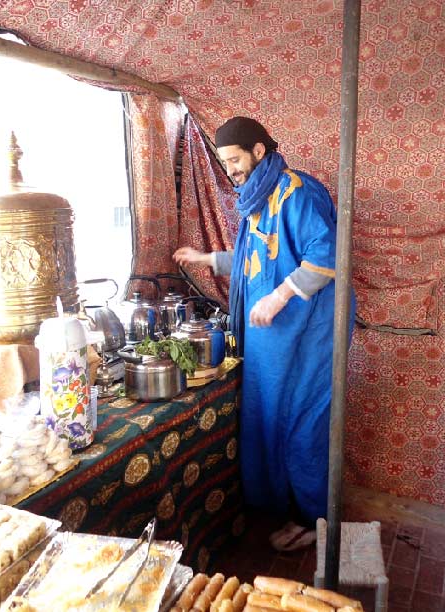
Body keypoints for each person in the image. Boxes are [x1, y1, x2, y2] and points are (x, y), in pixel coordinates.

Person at [174, 116, 355, 551]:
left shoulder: (297, 191)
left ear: (259, 151)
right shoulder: (260, 196)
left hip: (309, 332)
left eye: (235, 159)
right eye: (225, 163)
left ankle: (314, 519)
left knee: (304, 423)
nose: (231, 169)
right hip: (272, 337)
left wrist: (278, 297)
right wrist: (208, 258)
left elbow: (327, 253)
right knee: (270, 418)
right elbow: (257, 255)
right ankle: (285, 507)